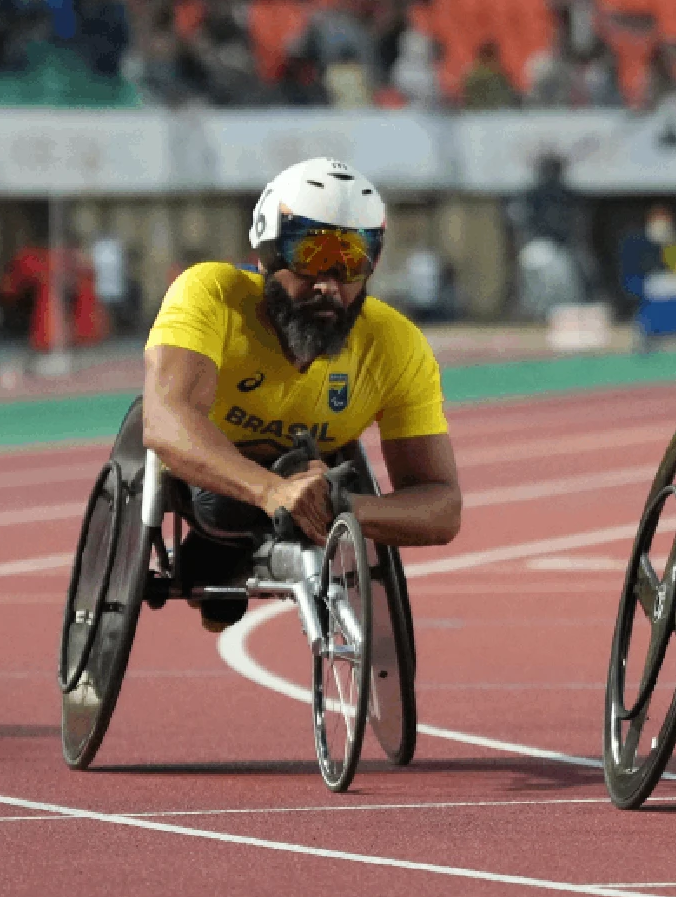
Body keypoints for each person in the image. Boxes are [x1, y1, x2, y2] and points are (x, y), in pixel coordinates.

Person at [141, 158, 461, 632]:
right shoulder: (211, 294)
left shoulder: (396, 345)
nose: (329, 283)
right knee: (221, 507)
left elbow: (442, 506)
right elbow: (165, 420)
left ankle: (244, 535)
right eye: (311, 255)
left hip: (320, 476)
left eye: (352, 259)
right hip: (215, 475)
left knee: (322, 478)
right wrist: (272, 491)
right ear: (269, 252)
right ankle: (220, 546)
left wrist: (342, 508)